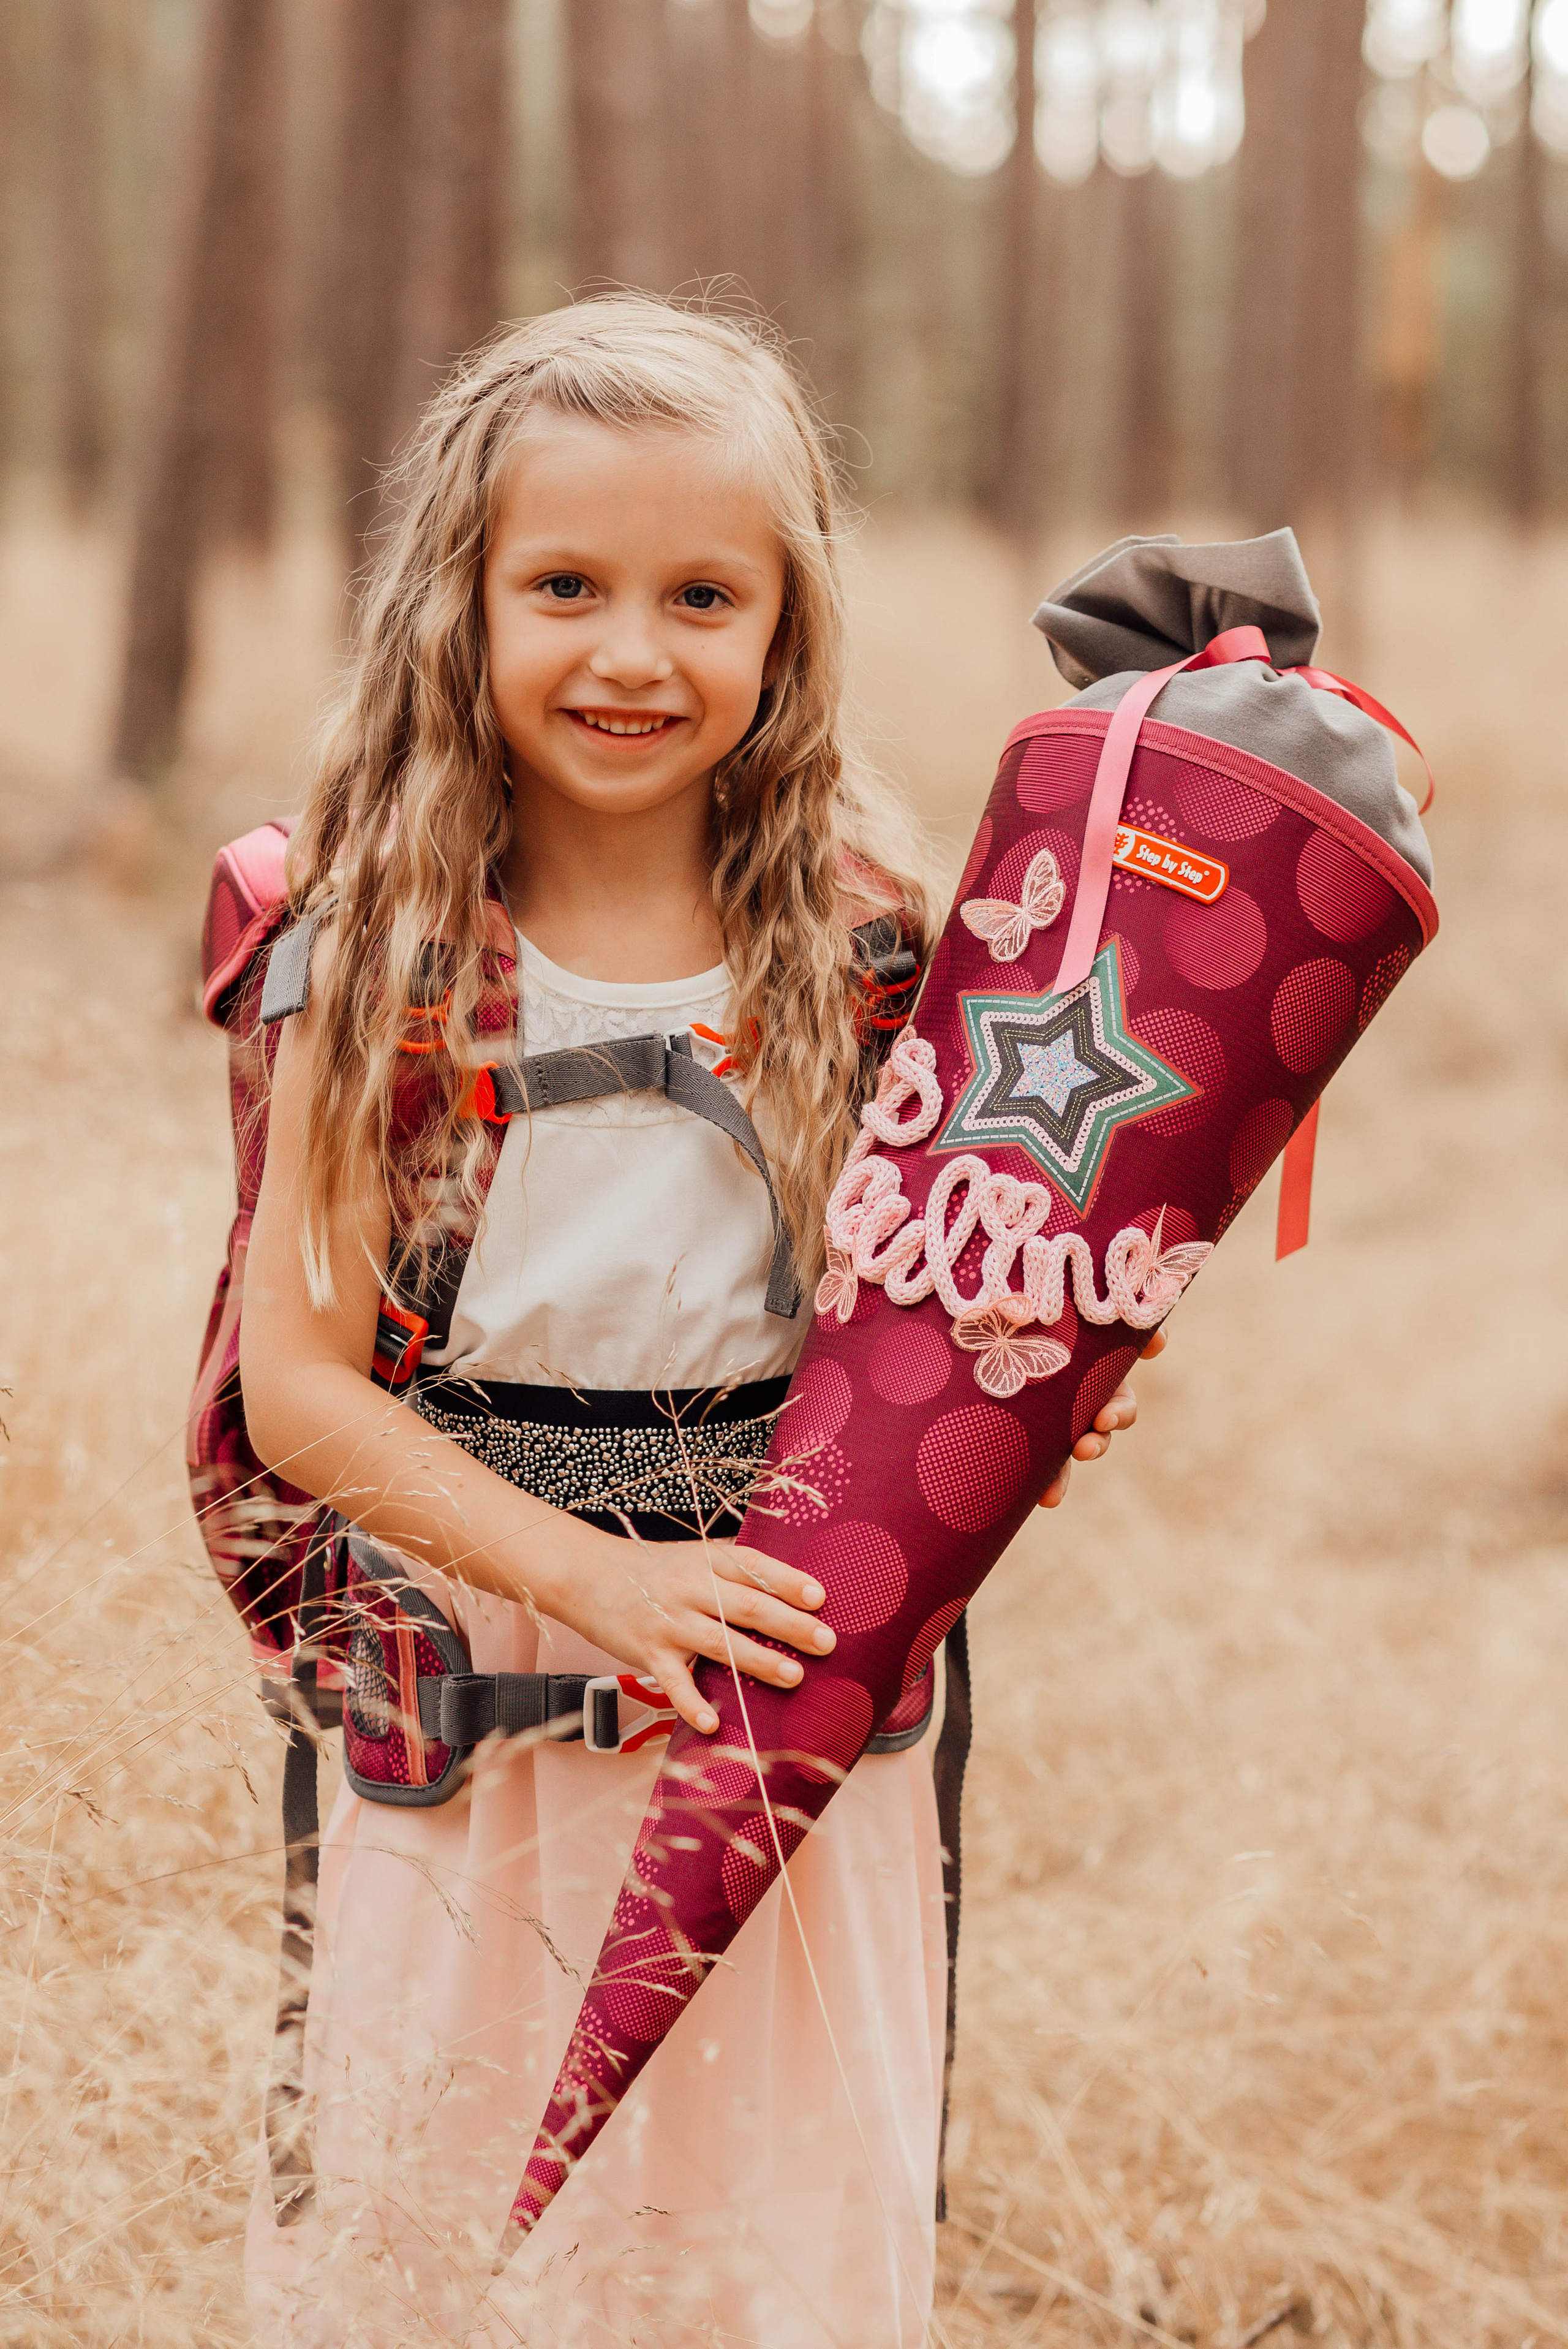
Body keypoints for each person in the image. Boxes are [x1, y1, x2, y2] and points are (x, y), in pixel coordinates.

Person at [239, 295, 1155, 2349]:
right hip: (478, 1695)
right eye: (564, 584)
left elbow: (927, 1322)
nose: (633, 651)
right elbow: (297, 1390)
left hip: (790, 1696)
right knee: (457, 2234)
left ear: (784, 628)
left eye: (702, 594)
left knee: (775, 2240)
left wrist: (1027, 1397)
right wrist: (588, 1584)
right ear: (459, 603)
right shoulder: (379, 942)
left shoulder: (876, 942)